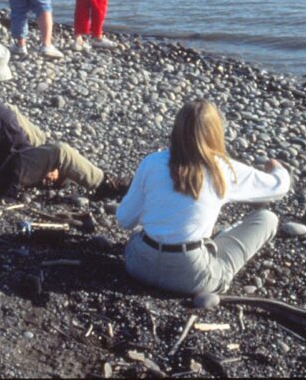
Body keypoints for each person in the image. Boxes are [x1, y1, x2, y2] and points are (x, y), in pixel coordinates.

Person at [116, 100, 291, 296]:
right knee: (267, 218)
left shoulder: (151, 163)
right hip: (191, 277)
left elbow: (124, 220)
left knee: (146, 227)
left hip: (138, 267)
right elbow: (278, 188)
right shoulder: (222, 169)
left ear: (176, 129)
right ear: (215, 132)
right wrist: (278, 168)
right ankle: (211, 249)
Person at [0, 42, 127, 199]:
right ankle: (105, 184)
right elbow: (22, 151)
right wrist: (46, 169)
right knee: (62, 151)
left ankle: (46, 150)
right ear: (0, 76)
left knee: (12, 110)